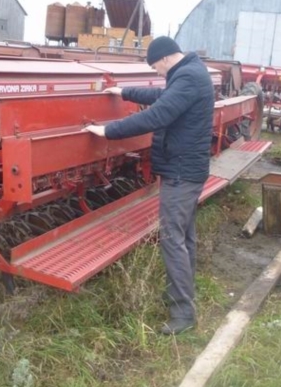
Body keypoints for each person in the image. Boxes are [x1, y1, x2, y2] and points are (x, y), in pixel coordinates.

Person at [82, 36, 214, 335]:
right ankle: (182, 295)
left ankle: (182, 314)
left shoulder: (189, 77)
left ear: (166, 58)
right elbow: (163, 98)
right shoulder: (190, 72)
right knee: (184, 236)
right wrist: (125, 92)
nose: (157, 73)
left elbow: (158, 114)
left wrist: (108, 131)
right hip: (186, 169)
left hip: (181, 172)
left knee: (171, 238)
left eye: (156, 67)